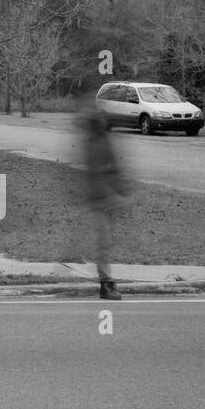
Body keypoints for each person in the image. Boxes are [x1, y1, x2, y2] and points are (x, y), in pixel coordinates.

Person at [75, 91, 131, 299]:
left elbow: (113, 168)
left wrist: (121, 191)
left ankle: (107, 283)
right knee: (104, 241)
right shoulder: (95, 141)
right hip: (99, 198)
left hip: (105, 197)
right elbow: (106, 170)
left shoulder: (101, 140)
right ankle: (106, 285)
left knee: (105, 241)